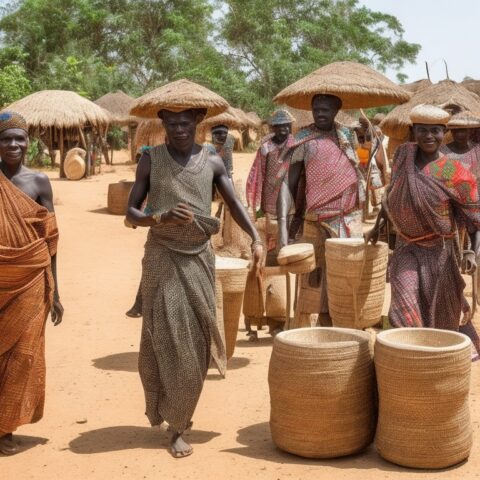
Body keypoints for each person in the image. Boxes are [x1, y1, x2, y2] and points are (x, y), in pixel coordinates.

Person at [126, 107, 262, 458]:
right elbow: (131, 213)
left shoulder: (213, 161)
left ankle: (179, 414)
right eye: (173, 123)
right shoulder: (150, 160)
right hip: (162, 258)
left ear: (197, 124)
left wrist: (256, 238)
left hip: (199, 257)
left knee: (198, 344)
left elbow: (233, 203)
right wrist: (161, 216)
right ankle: (176, 426)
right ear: (164, 126)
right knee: (168, 339)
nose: (180, 129)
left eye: (186, 123)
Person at [366, 104, 480, 356]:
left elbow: (474, 218)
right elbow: (391, 196)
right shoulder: (403, 156)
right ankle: (410, 355)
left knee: (441, 312)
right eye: (422, 131)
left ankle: (436, 358)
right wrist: (377, 227)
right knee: (404, 302)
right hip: (406, 248)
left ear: (444, 133)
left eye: (435, 131)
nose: (429, 136)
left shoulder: (454, 172)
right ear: (413, 131)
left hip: (440, 253)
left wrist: (472, 252)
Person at [0, 111, 64, 455]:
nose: (13, 145)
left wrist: (56, 290)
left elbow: (51, 239)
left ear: (28, 142)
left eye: (18, 138)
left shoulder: (39, 182)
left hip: (32, 283)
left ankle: (5, 427)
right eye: (6, 139)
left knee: (23, 356)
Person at [277, 94, 365, 328]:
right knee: (311, 282)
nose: (320, 114)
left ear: (337, 111)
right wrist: (283, 229)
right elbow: (288, 184)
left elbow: (359, 168)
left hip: (347, 218)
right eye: (316, 109)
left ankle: (345, 332)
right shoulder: (302, 140)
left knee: (345, 282)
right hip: (314, 219)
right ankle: (308, 336)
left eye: (326, 110)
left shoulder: (347, 136)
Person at [246, 108, 296, 261]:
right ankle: (273, 258)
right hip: (271, 195)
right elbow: (258, 172)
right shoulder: (266, 148)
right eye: (280, 126)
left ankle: (289, 256)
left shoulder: (296, 144)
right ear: (272, 128)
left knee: (290, 224)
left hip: (291, 194)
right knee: (273, 229)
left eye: (287, 125)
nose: (284, 129)